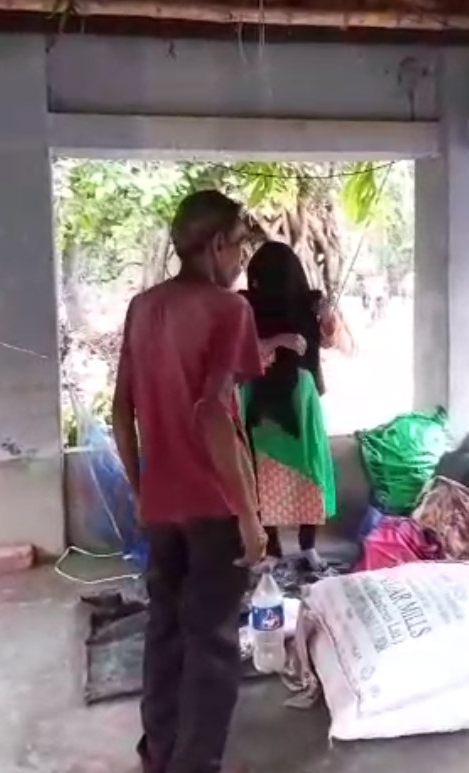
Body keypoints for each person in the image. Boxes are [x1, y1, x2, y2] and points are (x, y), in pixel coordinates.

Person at [111, 190, 275, 773]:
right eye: (240, 246)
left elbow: (120, 411)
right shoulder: (230, 311)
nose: (242, 259)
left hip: (163, 504)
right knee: (212, 642)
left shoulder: (142, 307)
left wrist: (141, 492)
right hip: (213, 505)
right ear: (217, 245)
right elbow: (212, 413)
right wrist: (250, 517)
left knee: (166, 631)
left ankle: (158, 754)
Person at [239, 241, 338, 572]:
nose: (256, 283)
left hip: (300, 396)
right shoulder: (245, 304)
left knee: (310, 470)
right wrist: (276, 341)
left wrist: (328, 317)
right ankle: (273, 549)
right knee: (263, 473)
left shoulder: (309, 302)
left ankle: (308, 547)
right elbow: (238, 347)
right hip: (262, 396)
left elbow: (328, 340)